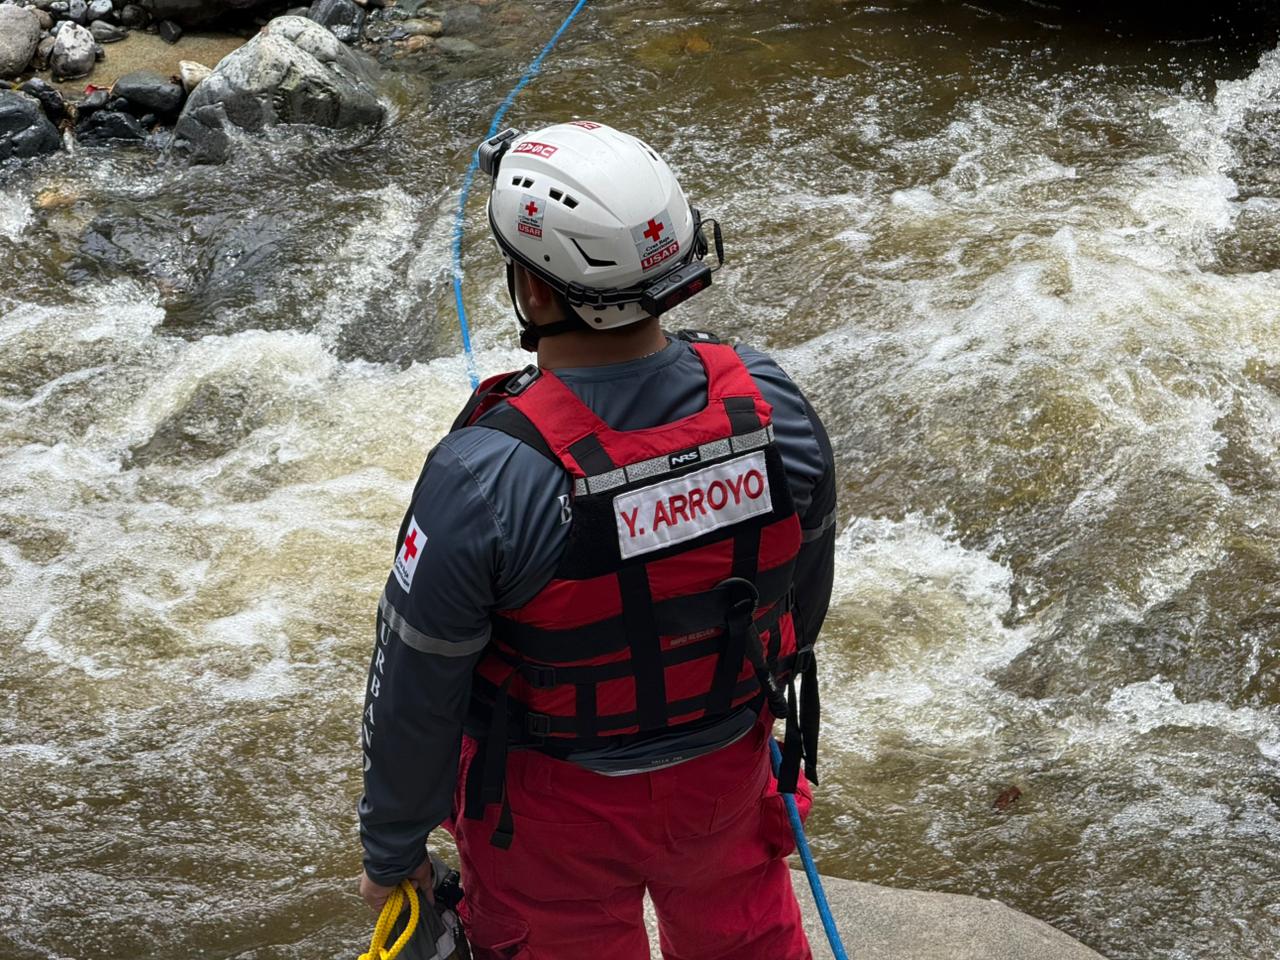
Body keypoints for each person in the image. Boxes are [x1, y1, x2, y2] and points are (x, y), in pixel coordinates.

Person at [357, 121, 838, 960]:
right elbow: (802, 598)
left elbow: (413, 690)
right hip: (723, 772)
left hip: (547, 810)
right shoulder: (772, 407)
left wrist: (391, 854)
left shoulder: (484, 477)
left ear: (535, 296)